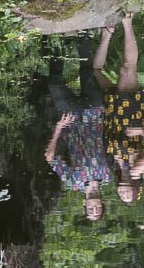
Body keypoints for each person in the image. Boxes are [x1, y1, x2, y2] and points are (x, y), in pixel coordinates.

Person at [92, 15, 144, 204]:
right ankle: (127, 22)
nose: (124, 194)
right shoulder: (136, 170)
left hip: (113, 115)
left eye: (122, 196)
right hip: (130, 114)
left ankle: (107, 34)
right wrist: (142, 131)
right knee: (127, 68)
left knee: (96, 72)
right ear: (135, 189)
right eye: (128, 195)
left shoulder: (116, 168)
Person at [44, 36, 112, 221]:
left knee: (54, 83)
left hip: (71, 119)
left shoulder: (73, 181)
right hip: (94, 114)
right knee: (87, 72)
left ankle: (55, 42)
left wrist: (58, 128)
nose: (94, 208)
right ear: (102, 203)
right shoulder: (109, 176)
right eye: (97, 210)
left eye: (91, 211)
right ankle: (82, 36)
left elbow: (50, 157)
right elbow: (116, 147)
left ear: (84, 205)